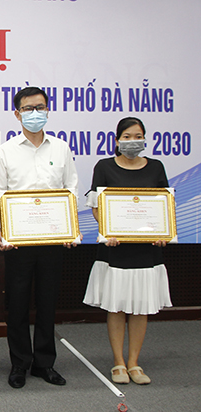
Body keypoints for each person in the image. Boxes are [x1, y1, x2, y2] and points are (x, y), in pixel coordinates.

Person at [0, 86, 78, 389]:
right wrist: (2, 230)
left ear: (48, 110)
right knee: (16, 305)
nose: (35, 113)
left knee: (47, 302)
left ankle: (44, 363)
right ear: (17, 114)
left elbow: (71, 191)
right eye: (28, 108)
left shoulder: (61, 149)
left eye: (40, 107)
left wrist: (70, 228)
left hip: (52, 240)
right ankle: (19, 363)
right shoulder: (6, 151)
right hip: (18, 241)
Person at [83, 117, 172, 385]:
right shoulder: (104, 166)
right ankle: (118, 363)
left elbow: (164, 204)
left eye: (138, 136)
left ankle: (134, 362)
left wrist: (163, 233)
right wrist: (107, 230)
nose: (133, 141)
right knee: (116, 306)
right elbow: (96, 204)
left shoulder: (156, 167)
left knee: (141, 307)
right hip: (115, 249)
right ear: (117, 140)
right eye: (127, 136)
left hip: (147, 249)